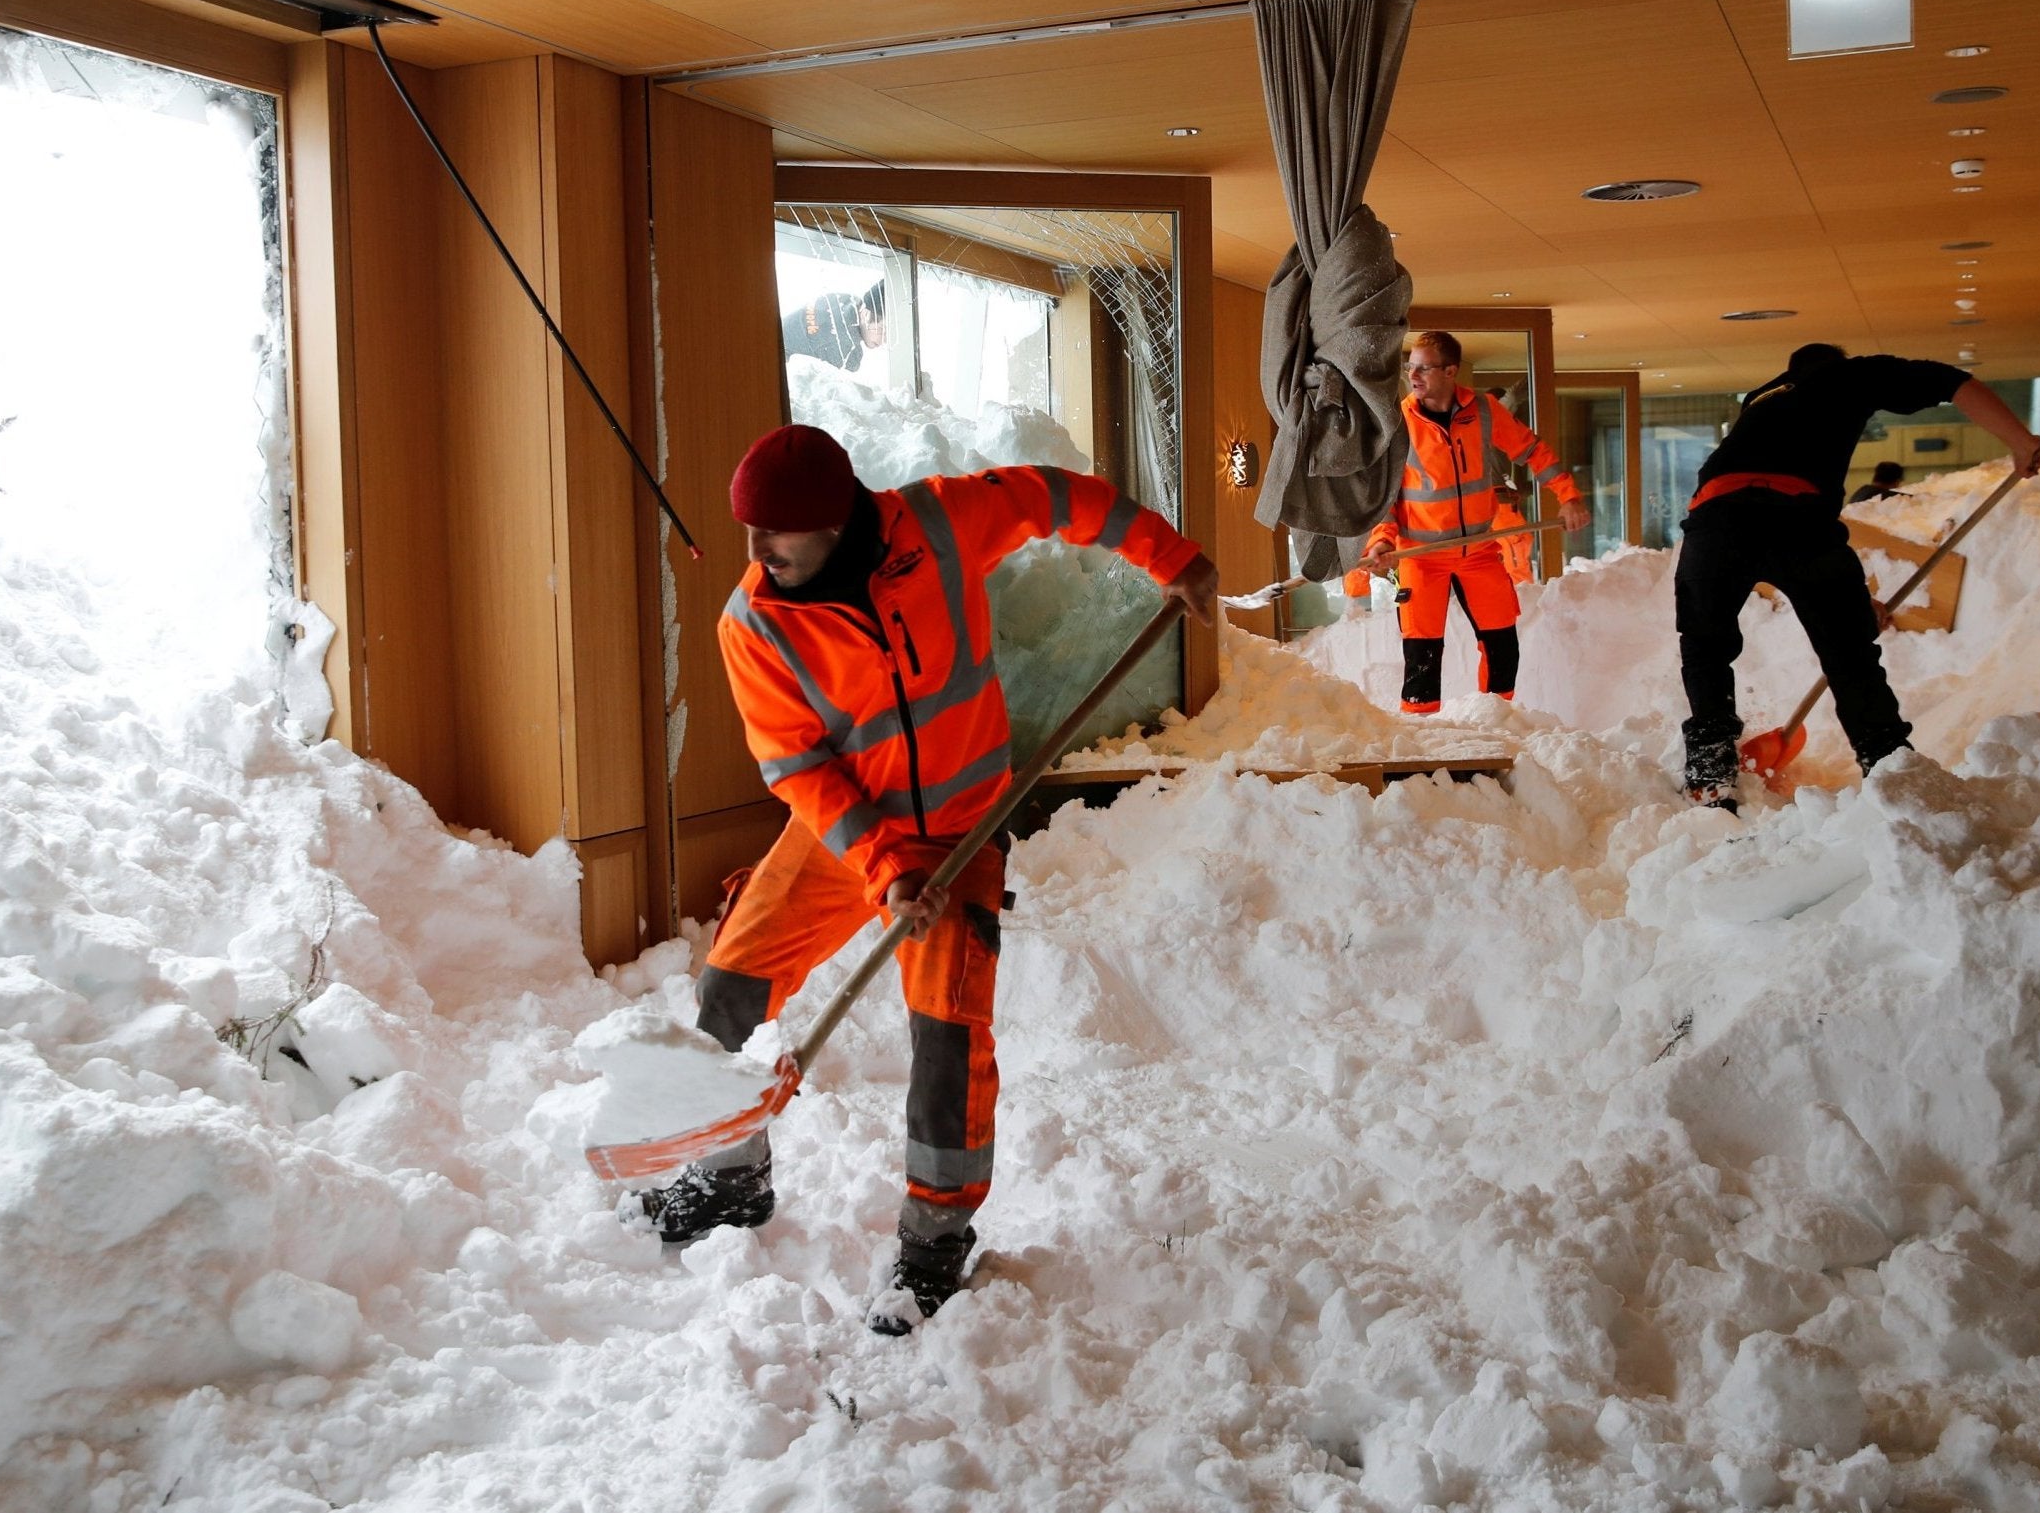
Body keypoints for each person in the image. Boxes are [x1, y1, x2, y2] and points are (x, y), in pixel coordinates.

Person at [638, 425, 1218, 1333]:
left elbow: (1055, 496)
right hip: (846, 834)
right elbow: (797, 766)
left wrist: (1171, 556)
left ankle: (935, 1236)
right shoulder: (753, 624)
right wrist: (882, 864)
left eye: (774, 534)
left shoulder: (941, 526)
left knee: (948, 1039)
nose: (756, 554)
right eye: (748, 532)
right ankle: (728, 1172)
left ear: (835, 521)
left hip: (962, 830)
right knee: (729, 989)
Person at [1676, 345, 2040, 808]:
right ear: (1838, 362)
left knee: (1705, 648)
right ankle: (1892, 769)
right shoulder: (1848, 375)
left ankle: (1711, 776)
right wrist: (2022, 441)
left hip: (1715, 522)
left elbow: (1758, 502)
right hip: (1799, 520)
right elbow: (1950, 380)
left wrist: (1856, 605)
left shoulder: (1762, 396)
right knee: (1850, 658)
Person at [1350, 331, 1589, 713]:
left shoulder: (1485, 411)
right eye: (1410, 367)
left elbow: (1533, 451)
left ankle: (1493, 724)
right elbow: (1384, 498)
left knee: (1502, 648)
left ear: (1450, 370)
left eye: (1423, 368)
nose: (1413, 375)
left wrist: (1569, 497)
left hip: (1479, 551)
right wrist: (1382, 542)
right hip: (1421, 557)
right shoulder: (1397, 424)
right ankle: (1422, 738)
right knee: (1422, 657)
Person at [782, 280, 886, 373]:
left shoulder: (844, 300)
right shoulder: (846, 349)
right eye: (884, 330)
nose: (885, 340)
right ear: (866, 315)